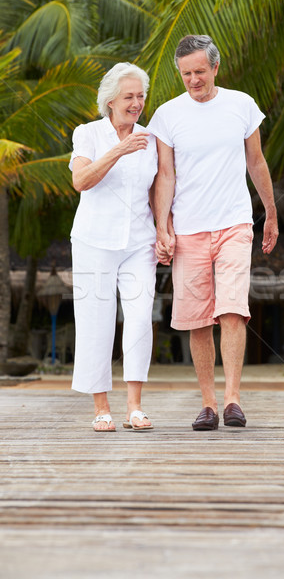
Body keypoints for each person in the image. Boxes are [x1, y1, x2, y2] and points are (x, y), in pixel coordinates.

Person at [148, 35, 279, 431]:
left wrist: (270, 213)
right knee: (196, 319)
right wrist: (162, 227)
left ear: (215, 68)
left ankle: (233, 400)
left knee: (233, 309)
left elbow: (256, 162)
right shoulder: (167, 115)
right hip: (188, 230)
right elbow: (165, 175)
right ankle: (208, 404)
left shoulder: (241, 105)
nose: (193, 80)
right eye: (186, 73)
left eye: (200, 72)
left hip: (235, 224)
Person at [69, 62, 158, 432]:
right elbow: (80, 180)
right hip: (94, 240)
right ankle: (101, 407)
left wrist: (165, 232)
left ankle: (134, 407)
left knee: (139, 320)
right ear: (110, 101)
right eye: (129, 97)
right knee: (96, 322)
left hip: (140, 242)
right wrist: (120, 150)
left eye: (140, 96)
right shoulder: (88, 134)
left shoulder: (152, 139)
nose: (136, 103)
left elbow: (157, 190)